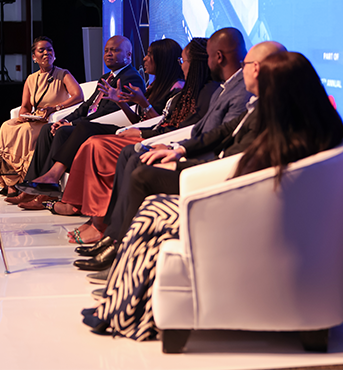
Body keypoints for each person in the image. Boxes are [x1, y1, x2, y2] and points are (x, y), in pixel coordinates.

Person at [83, 50, 343, 341]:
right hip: (248, 206)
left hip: (243, 214)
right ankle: (119, 299)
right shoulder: (318, 123)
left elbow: (244, 173)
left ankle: (121, 306)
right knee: (153, 208)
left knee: (153, 212)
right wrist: (181, 153)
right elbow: (231, 143)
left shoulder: (285, 130)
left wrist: (183, 167)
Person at [72, 34, 268, 272]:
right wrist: (177, 148)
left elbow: (221, 142)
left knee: (138, 167)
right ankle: (114, 237)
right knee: (131, 156)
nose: (244, 67)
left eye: (248, 63)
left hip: (213, 170)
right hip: (192, 153)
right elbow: (214, 131)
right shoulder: (228, 90)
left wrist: (177, 152)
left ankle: (120, 247)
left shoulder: (241, 95)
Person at [50, 38, 218, 245]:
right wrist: (125, 106)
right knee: (90, 142)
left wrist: (142, 129)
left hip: (159, 138)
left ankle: (99, 222)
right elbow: (154, 120)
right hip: (151, 132)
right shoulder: (167, 87)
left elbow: (175, 126)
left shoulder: (186, 88)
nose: (144, 59)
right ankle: (90, 214)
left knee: (95, 143)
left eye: (183, 60)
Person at [14, 38, 185, 208]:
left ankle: (49, 187)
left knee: (75, 129)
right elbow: (88, 106)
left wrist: (141, 104)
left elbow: (158, 122)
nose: (145, 59)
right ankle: (34, 186)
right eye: (106, 50)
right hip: (132, 127)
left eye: (115, 50)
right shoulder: (146, 84)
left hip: (144, 134)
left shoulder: (137, 79)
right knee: (49, 129)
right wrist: (66, 120)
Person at [0, 36, 83, 196]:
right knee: (6, 126)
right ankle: (10, 180)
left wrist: (56, 108)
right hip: (36, 117)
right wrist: (24, 114)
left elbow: (78, 96)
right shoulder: (31, 79)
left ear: (54, 54)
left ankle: (23, 179)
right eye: (41, 50)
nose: (46, 53)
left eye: (49, 50)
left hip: (51, 118)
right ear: (34, 57)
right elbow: (25, 105)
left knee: (25, 132)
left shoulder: (63, 74)